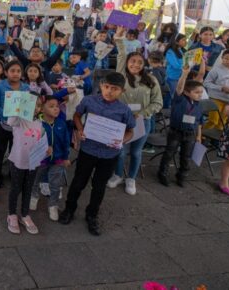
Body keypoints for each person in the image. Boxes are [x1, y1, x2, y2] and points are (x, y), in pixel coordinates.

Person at [59, 71, 135, 235]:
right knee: (78, 182)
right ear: (101, 86)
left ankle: (92, 215)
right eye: (106, 87)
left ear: (122, 91)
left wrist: (122, 140)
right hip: (88, 150)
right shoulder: (89, 101)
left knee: (99, 187)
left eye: (114, 88)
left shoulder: (124, 110)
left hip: (109, 155)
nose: (109, 91)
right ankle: (69, 209)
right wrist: (79, 129)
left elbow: (130, 131)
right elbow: (78, 115)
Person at [108, 34, 163, 195]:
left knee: (136, 152)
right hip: (121, 120)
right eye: (132, 61)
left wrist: (143, 113)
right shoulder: (121, 76)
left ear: (144, 64)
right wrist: (119, 37)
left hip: (141, 121)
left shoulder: (151, 80)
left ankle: (131, 178)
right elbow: (121, 54)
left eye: (140, 62)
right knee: (120, 150)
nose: (136, 64)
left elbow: (157, 102)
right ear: (127, 63)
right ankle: (117, 175)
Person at [158, 66, 204, 187]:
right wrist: (184, 74)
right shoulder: (180, 99)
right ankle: (162, 173)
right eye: (197, 92)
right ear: (186, 92)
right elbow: (179, 88)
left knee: (186, 156)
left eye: (201, 92)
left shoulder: (199, 105)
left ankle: (181, 176)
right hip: (176, 132)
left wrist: (199, 136)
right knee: (169, 153)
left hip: (190, 134)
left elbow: (199, 122)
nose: (200, 95)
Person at [6, 96, 45, 234]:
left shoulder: (40, 121)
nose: (35, 108)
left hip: (33, 163)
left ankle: (24, 215)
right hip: (18, 161)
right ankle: (11, 215)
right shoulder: (19, 120)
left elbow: (41, 139)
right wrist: (20, 104)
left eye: (38, 105)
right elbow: (10, 121)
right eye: (32, 105)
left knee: (28, 189)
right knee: (15, 189)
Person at [29, 98, 71, 222]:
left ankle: (53, 205)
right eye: (51, 106)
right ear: (42, 109)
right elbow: (31, 142)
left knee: (55, 184)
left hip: (58, 160)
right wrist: (42, 149)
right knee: (35, 179)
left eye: (57, 106)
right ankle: (34, 196)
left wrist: (66, 157)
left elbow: (66, 142)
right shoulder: (37, 124)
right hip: (41, 160)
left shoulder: (61, 124)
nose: (56, 108)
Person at [0, 60, 28, 187]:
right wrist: (8, 113)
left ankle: (13, 174)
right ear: (6, 72)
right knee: (0, 150)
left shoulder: (26, 87)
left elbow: (27, 106)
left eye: (18, 71)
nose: (15, 74)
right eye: (12, 71)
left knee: (15, 151)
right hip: (3, 125)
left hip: (19, 127)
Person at [203, 48, 229, 128]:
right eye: (226, 58)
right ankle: (201, 134)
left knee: (222, 122)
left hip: (228, 100)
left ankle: (215, 139)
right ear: (222, 58)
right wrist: (221, 88)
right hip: (215, 98)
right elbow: (206, 83)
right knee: (213, 120)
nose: (228, 61)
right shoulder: (216, 69)